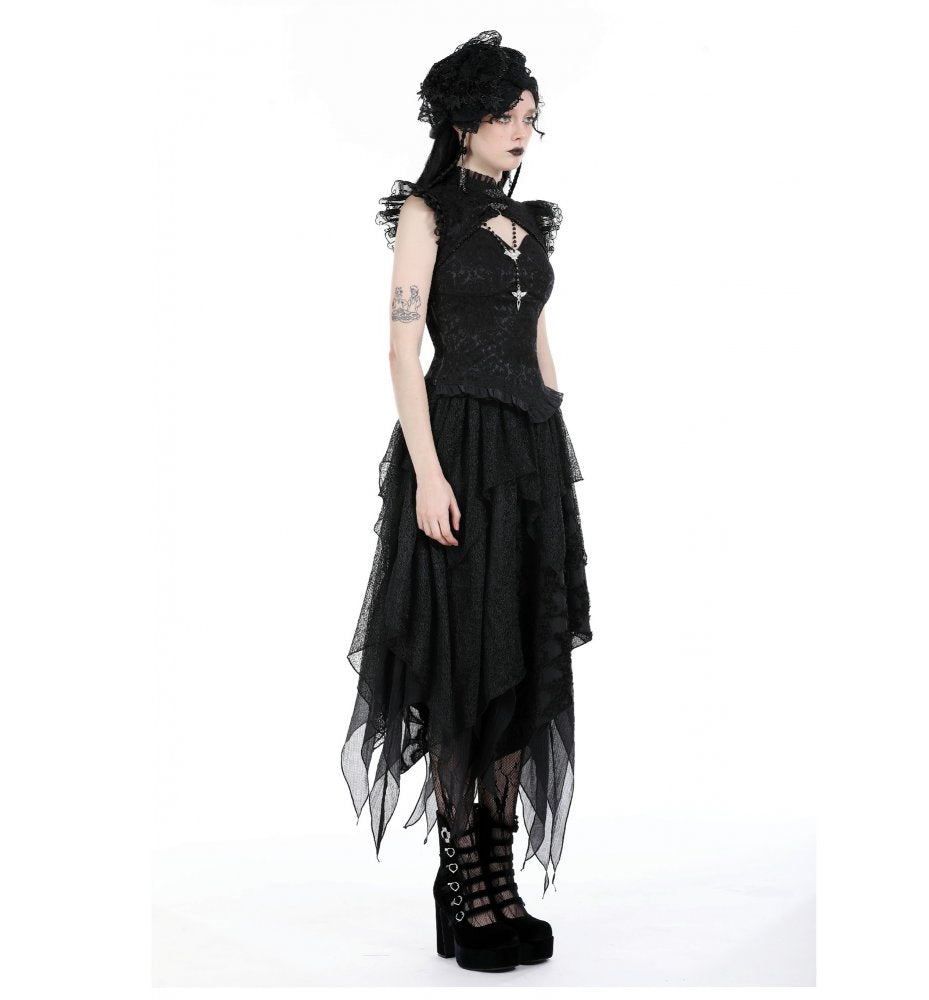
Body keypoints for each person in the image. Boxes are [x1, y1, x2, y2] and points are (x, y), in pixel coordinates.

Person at [339, 30, 593, 972]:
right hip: (456, 447)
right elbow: (401, 350)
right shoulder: (426, 213)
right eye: (505, 114)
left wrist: (555, 434)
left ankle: (497, 873)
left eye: (530, 117)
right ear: (462, 121)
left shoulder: (532, 223)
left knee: (522, 648)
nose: (522, 129)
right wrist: (430, 472)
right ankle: (462, 882)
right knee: (463, 652)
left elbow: (537, 339)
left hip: (529, 452)